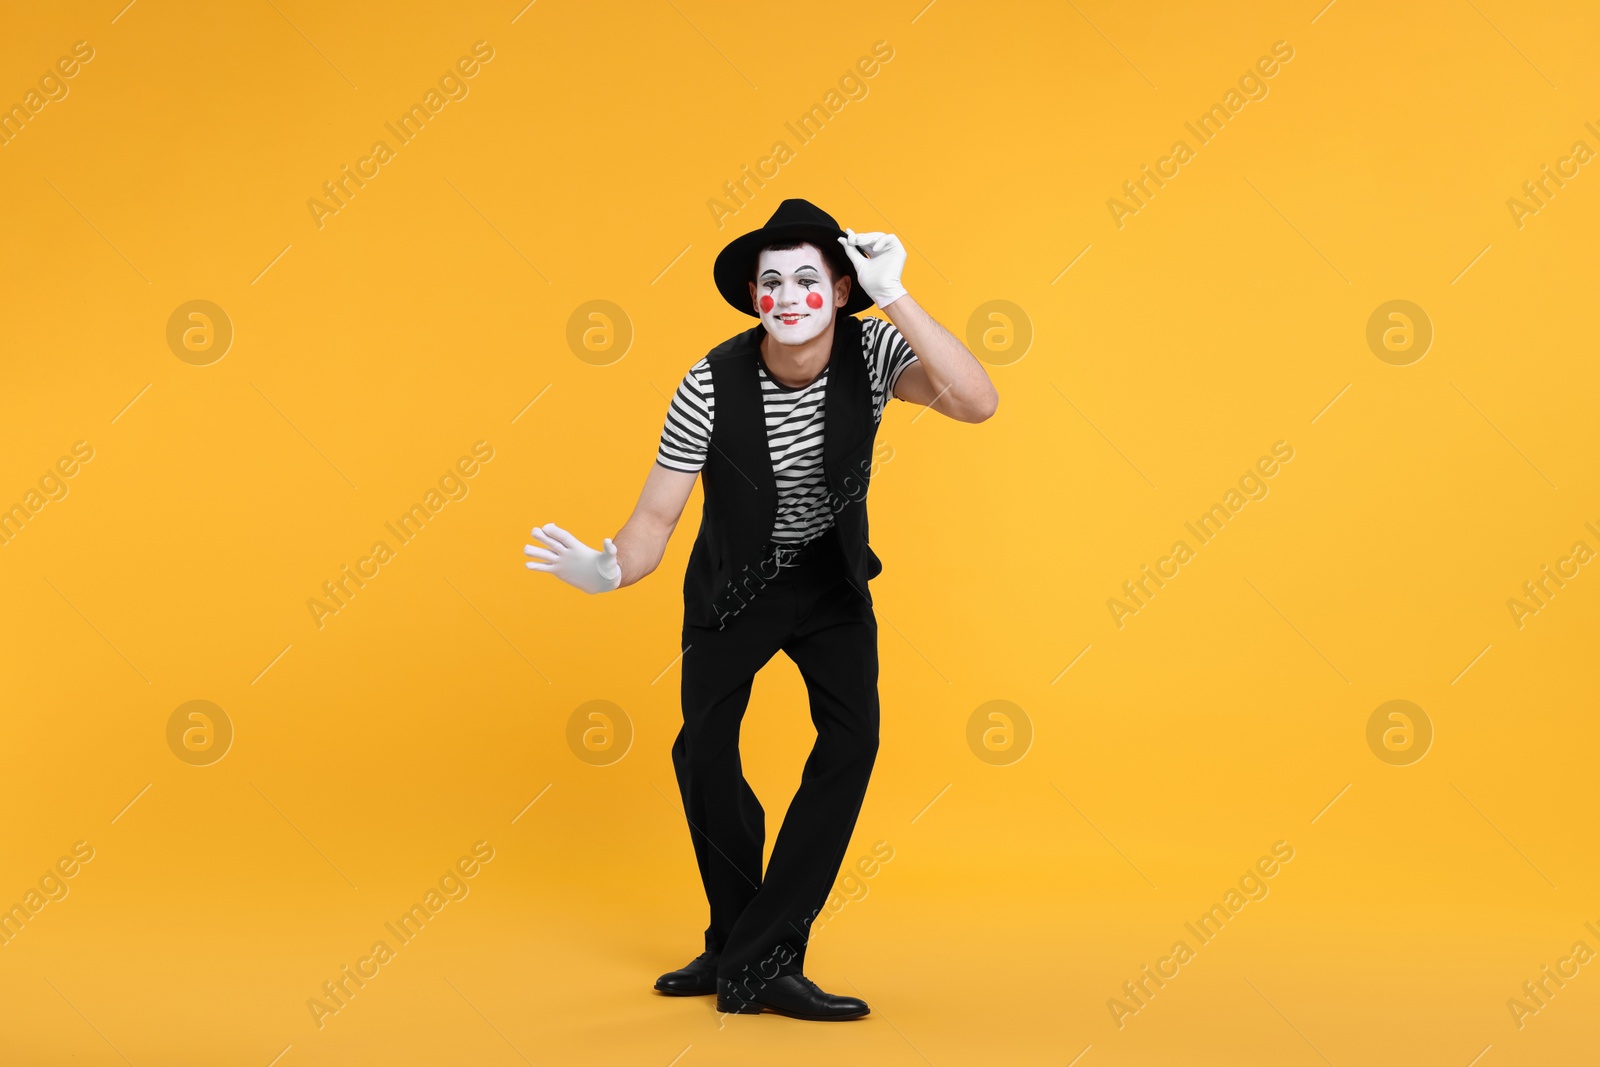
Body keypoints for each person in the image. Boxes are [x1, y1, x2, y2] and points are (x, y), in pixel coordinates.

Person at [524, 198, 997, 1020]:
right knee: (702, 755)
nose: (787, 295)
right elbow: (655, 519)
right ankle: (736, 942)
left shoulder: (875, 345)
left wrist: (897, 294)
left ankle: (765, 956)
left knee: (852, 742)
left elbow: (974, 401)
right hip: (732, 587)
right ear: (752, 295)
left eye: (808, 280)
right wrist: (610, 567)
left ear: (840, 291)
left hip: (829, 584)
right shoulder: (708, 381)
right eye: (770, 281)